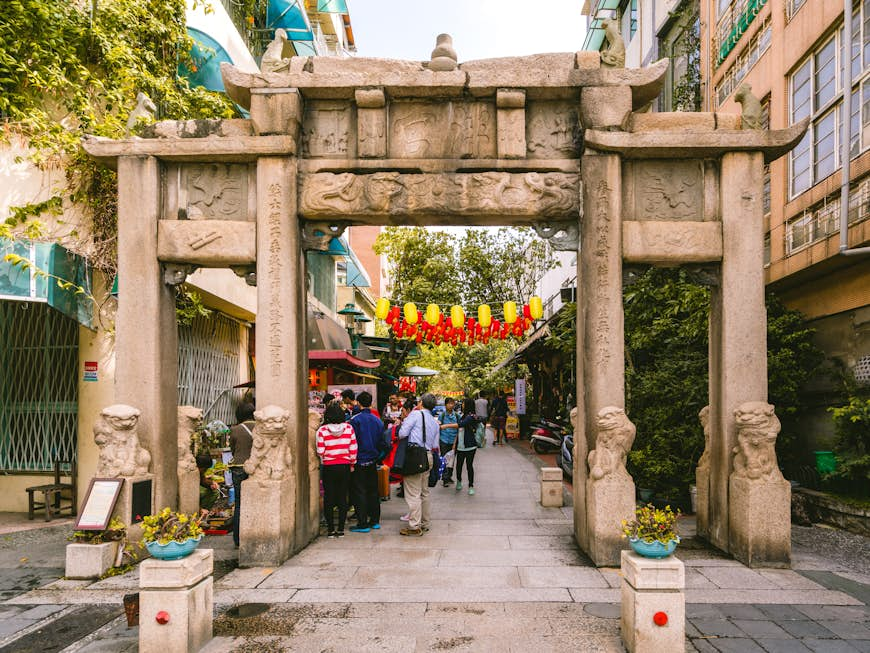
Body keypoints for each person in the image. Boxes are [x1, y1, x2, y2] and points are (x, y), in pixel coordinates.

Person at [397, 392, 440, 536]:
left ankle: (414, 526)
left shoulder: (415, 415)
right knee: (424, 492)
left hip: (415, 456)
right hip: (428, 456)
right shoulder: (434, 421)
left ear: (421, 403)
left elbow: (402, 433)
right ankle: (425, 522)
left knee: (413, 492)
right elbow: (435, 444)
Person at [316, 402, 357, 538]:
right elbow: (353, 448)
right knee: (342, 496)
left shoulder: (322, 431)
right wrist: (352, 463)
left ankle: (330, 530)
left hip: (329, 467)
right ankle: (340, 529)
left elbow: (320, 451)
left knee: (329, 497)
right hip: (344, 466)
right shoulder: (349, 428)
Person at [348, 391, 383, 533]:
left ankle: (362, 523)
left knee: (359, 491)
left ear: (358, 403)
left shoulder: (355, 420)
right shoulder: (377, 421)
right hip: (373, 460)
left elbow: (352, 441)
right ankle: (375, 520)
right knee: (373, 490)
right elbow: (383, 442)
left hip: (359, 460)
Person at [228, 401, 255, 548]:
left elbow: (232, 449)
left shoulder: (235, 429)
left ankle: (238, 538)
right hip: (255, 467)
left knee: (239, 502)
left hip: (238, 468)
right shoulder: (260, 428)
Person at [455, 398, 481, 495]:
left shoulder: (471, 417)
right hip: (460, 445)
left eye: (464, 403)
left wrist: (446, 426)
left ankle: (471, 485)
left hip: (470, 445)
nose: (462, 405)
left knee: (469, 466)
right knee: (459, 465)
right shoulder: (463, 415)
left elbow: (461, 425)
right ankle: (459, 481)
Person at [437, 397, 459, 486]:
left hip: (453, 441)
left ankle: (449, 476)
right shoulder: (441, 416)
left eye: (452, 403)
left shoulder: (457, 416)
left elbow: (459, 429)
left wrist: (455, 442)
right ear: (445, 405)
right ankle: (445, 478)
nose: (451, 405)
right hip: (444, 440)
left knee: (452, 460)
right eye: (449, 403)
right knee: (445, 459)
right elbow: (438, 428)